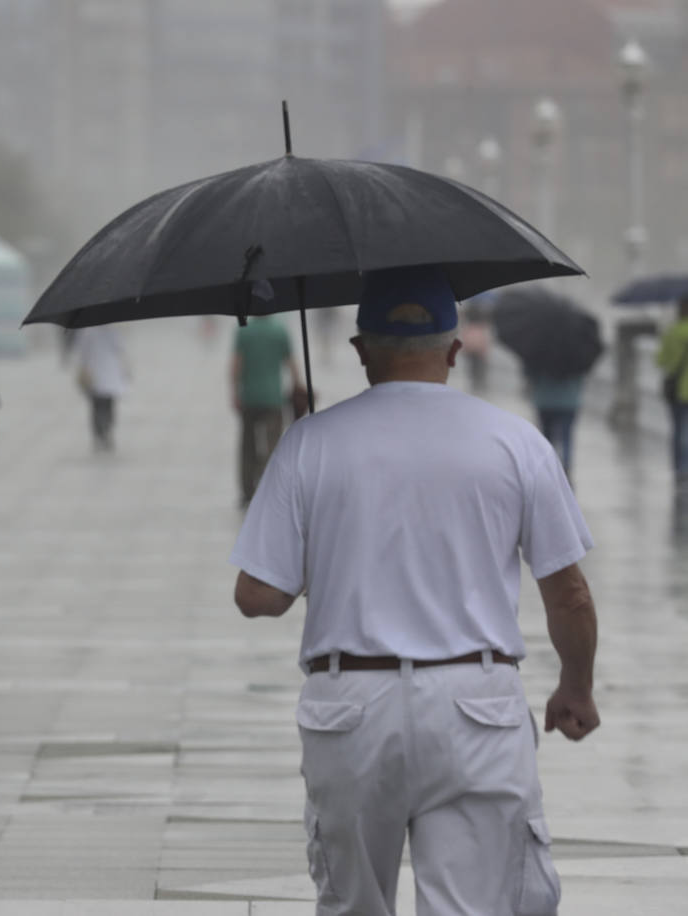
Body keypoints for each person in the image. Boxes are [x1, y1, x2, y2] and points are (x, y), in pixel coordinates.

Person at [230, 266, 599, 916]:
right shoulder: (517, 442)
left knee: (354, 906)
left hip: (350, 706)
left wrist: (327, 549)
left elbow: (257, 595)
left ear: (360, 348)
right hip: (475, 705)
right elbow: (568, 593)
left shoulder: (310, 442)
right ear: (455, 349)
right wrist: (575, 686)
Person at [231, 315, 303, 505]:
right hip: (273, 398)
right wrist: (298, 387)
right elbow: (291, 364)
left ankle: (247, 491)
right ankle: (268, 487)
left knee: (248, 446)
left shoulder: (243, 330)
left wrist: (234, 393)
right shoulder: (280, 330)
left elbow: (236, 365)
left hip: (249, 397)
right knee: (272, 445)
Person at [71, 325, 131, 451]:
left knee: (96, 406)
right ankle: (106, 428)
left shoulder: (86, 331)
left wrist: (82, 368)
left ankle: (100, 431)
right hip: (109, 374)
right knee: (108, 404)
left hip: (95, 374)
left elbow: (81, 352)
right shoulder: (113, 330)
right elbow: (121, 349)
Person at [526, 370, 584, 475]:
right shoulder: (576, 357)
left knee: (547, 438)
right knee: (566, 437)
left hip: (545, 400)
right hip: (569, 401)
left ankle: (548, 467)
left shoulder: (541, 356)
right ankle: (566, 468)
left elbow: (531, 374)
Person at [657, 295, 688, 482]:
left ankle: (680, 467)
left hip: (677, 391)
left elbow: (661, 361)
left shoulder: (673, 332)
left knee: (678, 430)